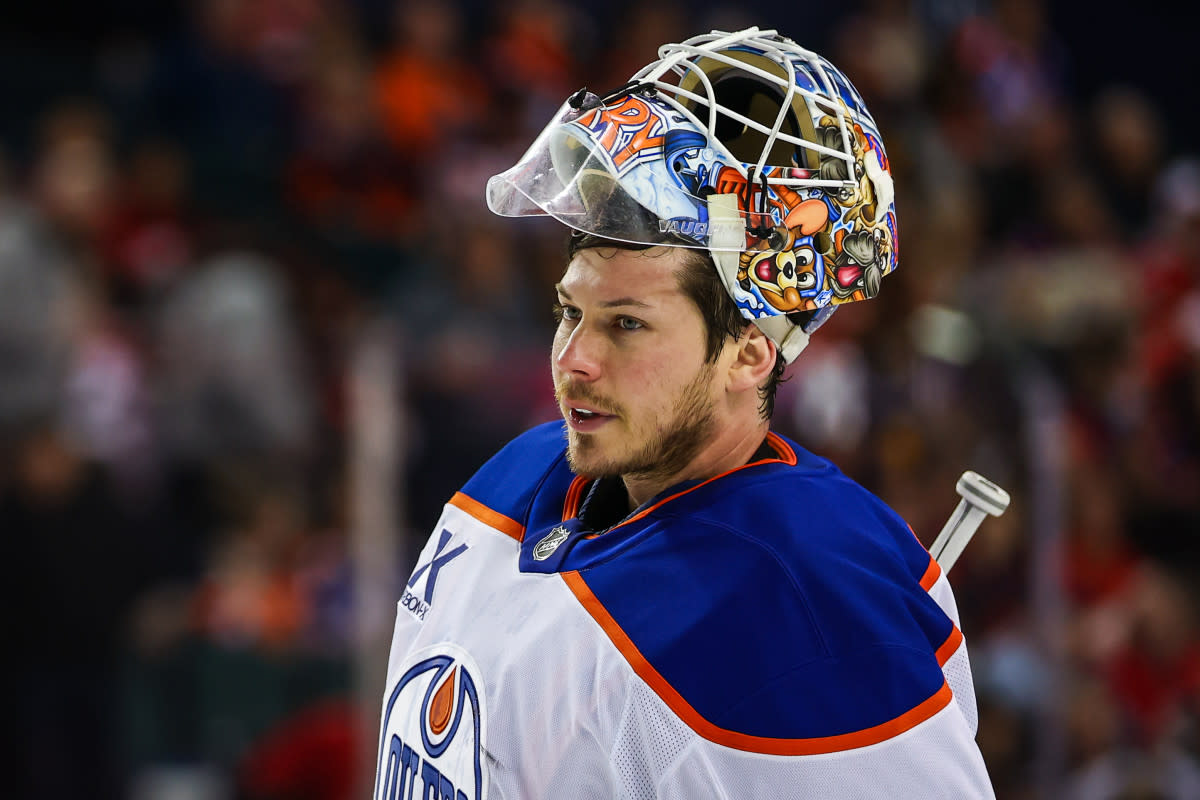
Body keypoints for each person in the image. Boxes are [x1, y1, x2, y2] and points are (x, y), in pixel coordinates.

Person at [374, 27, 993, 798]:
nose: (574, 360)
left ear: (750, 352)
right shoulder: (515, 475)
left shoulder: (807, 608)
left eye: (627, 324)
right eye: (572, 312)